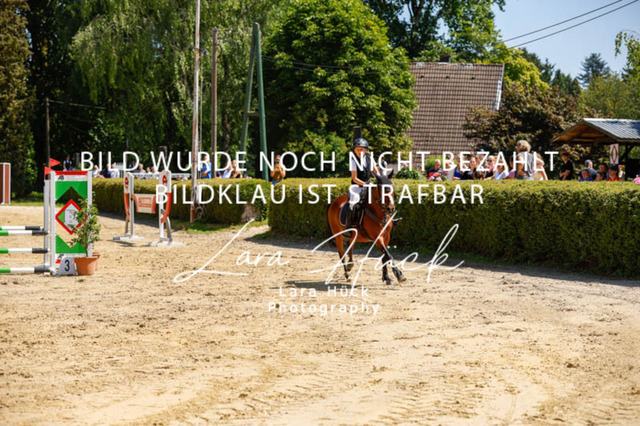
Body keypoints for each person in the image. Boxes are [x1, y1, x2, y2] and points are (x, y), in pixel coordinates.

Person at [347, 137, 380, 228]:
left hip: (369, 186)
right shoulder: (353, 161)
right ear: (354, 150)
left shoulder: (370, 159)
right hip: (356, 188)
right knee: (353, 203)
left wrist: (380, 180)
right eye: (357, 150)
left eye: (361, 149)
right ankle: (349, 226)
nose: (359, 152)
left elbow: (376, 172)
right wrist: (366, 185)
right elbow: (354, 178)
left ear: (366, 150)